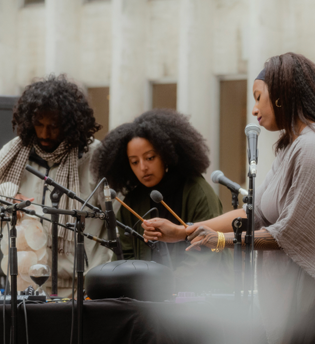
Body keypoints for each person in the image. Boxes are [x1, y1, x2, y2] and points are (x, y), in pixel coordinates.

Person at [142, 53, 315, 344]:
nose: (254, 110)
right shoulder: (293, 147)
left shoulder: (314, 149)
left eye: (258, 98)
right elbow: (254, 214)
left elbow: (293, 234)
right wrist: (185, 230)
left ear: (283, 94)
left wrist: (222, 241)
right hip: (303, 308)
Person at [0, 74, 110, 296]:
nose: (45, 134)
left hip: (82, 291)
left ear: (70, 124)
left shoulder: (94, 156)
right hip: (25, 290)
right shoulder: (14, 153)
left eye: (54, 126)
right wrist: (8, 197)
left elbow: (117, 220)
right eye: (39, 124)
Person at [92, 109, 227, 292]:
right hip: (146, 302)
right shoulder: (130, 203)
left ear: (166, 154)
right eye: (134, 161)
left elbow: (207, 253)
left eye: (150, 158)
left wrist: (162, 287)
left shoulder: (198, 192)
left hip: (201, 301)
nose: (143, 168)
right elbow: (124, 258)